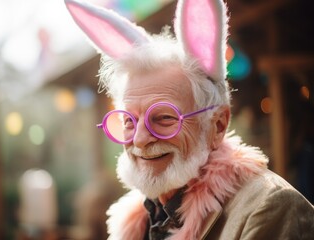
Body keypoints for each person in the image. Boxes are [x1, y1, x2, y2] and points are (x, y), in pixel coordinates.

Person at [64, 0, 314, 239]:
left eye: (163, 117)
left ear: (217, 125)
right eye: (129, 121)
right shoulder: (136, 220)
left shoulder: (270, 208)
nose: (139, 140)